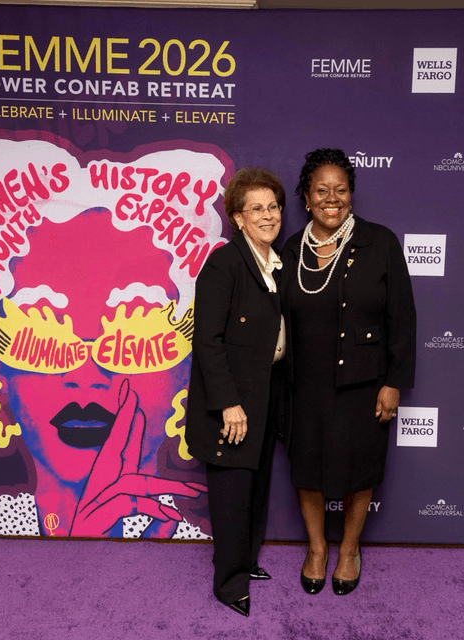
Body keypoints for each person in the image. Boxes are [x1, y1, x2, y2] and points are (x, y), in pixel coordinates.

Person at [0, 136, 231, 540]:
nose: (88, 376)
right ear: (2, 383)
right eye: (41, 330)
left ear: (183, 378)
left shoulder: (197, 541)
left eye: (137, 332)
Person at [281, 148, 416, 596]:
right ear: (306, 197)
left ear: (351, 196)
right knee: (308, 469)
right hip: (305, 384)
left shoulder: (380, 243)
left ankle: (349, 550)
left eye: (340, 189)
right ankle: (317, 549)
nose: (331, 198)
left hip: (364, 384)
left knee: (360, 470)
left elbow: (402, 318)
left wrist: (394, 382)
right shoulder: (293, 248)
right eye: (322, 190)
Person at [186, 167, 288, 617]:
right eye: (256, 209)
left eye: (273, 207)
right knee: (230, 493)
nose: (268, 216)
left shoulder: (274, 262)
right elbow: (206, 339)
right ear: (238, 218)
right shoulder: (224, 262)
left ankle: (245, 562)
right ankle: (229, 584)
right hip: (235, 404)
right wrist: (229, 403)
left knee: (256, 485)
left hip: (266, 397)